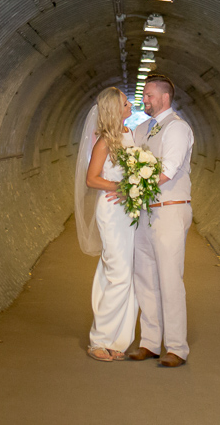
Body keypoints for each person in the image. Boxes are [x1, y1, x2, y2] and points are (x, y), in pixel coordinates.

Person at [126, 75, 194, 367]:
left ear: (165, 97)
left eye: (150, 95)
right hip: (144, 211)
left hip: (169, 208)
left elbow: (167, 169)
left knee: (169, 279)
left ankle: (177, 347)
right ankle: (150, 343)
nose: (146, 100)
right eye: (145, 96)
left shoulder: (177, 129)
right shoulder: (143, 128)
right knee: (145, 277)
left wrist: (136, 183)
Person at [74, 87, 139, 361]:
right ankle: (98, 339)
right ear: (115, 109)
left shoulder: (129, 135)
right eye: (126, 103)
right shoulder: (104, 142)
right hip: (112, 212)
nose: (131, 108)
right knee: (120, 274)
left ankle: (118, 340)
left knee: (121, 272)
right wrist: (121, 186)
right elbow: (91, 179)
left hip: (129, 212)